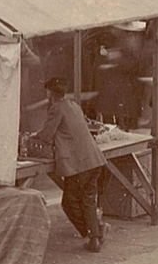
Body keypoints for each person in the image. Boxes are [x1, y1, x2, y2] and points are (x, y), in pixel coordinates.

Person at [33, 78, 107, 251]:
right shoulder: (74, 106)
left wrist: (33, 137)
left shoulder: (56, 108)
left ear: (49, 93)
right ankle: (95, 236)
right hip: (94, 160)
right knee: (88, 200)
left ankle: (93, 233)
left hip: (78, 164)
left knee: (69, 203)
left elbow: (46, 135)